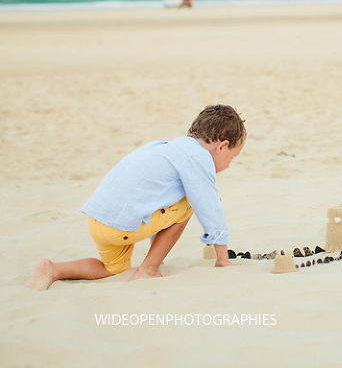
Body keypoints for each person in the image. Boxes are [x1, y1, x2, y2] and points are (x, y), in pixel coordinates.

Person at [28, 105, 246, 291]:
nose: (229, 164)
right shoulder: (198, 157)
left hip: (99, 221)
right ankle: (148, 270)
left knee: (112, 268)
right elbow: (208, 206)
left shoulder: (165, 147)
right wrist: (222, 259)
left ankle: (53, 269)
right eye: (233, 157)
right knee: (191, 203)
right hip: (122, 227)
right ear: (222, 146)